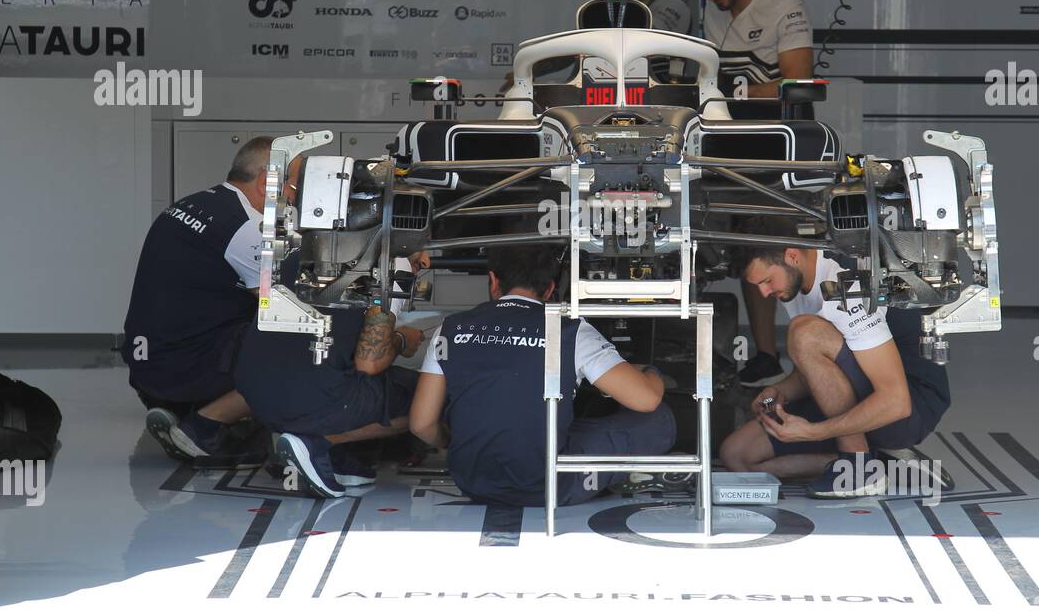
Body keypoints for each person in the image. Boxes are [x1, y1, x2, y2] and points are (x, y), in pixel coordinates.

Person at [408, 245, 675, 507]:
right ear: (549, 289)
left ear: (493, 281)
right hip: (549, 485)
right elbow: (647, 400)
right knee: (659, 420)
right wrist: (651, 371)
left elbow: (421, 424)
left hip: (472, 481)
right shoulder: (570, 330)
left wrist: (460, 444)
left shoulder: (450, 328)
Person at [719, 231, 951, 498]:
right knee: (737, 454)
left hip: (907, 409)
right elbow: (820, 366)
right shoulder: (794, 283)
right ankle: (881, 463)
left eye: (767, 281)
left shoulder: (843, 281)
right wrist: (781, 389)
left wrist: (812, 432)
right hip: (861, 396)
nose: (764, 292)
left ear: (792, 256)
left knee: (805, 332)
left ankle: (859, 468)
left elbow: (897, 402)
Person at [690, 0, 816, 388]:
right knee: (749, 254)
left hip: (782, 150)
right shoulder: (711, 10)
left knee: (789, 253)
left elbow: (797, 80)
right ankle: (765, 354)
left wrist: (730, 93)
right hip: (731, 149)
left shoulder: (786, 8)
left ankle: (813, 350)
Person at [123, 136, 296, 460]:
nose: (295, 198)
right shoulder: (249, 229)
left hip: (148, 373)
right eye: (294, 188)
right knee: (299, 340)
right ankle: (205, 426)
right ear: (265, 183)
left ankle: (188, 408)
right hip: (183, 374)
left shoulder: (190, 204)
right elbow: (290, 308)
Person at [228, 298, 427, 498]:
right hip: (310, 397)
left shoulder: (284, 266)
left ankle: (329, 454)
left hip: (255, 395)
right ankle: (317, 443)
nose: (424, 264)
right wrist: (401, 339)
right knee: (424, 397)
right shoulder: (391, 270)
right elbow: (370, 364)